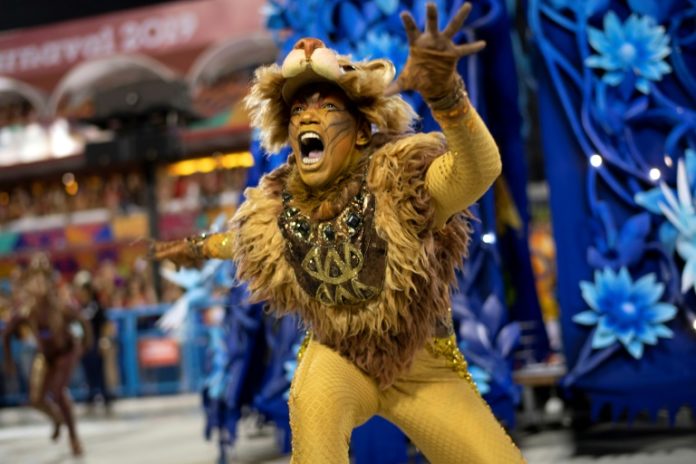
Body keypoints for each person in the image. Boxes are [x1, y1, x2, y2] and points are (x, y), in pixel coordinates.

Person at [153, 3, 526, 462]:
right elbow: (242, 243)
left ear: (362, 132)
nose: (308, 116)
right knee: (310, 411)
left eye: (328, 105)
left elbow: (477, 171)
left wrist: (448, 98)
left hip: (422, 362)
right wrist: (195, 248)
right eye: (298, 109)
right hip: (340, 356)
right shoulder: (275, 205)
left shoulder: (403, 180)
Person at [2, 254, 90, 456]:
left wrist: (85, 345)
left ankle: (74, 437)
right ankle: (57, 418)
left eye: (43, 278)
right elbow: (7, 333)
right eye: (35, 279)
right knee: (35, 399)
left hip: (65, 352)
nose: (39, 284)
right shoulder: (26, 311)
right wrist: (8, 360)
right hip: (46, 355)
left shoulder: (60, 306)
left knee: (58, 392)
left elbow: (83, 321)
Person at [73, 270, 113, 412]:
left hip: (96, 341)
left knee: (99, 369)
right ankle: (90, 394)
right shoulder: (79, 308)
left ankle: (104, 394)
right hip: (85, 344)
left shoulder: (97, 306)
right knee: (87, 369)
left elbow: (105, 324)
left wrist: (104, 339)